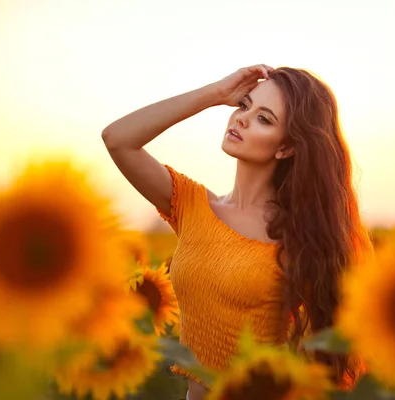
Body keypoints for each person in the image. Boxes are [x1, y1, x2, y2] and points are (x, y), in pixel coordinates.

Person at [102, 65, 371, 400]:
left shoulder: (297, 238)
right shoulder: (192, 205)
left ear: (285, 148)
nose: (241, 118)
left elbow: (335, 345)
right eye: (244, 105)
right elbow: (118, 139)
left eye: (264, 119)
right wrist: (214, 94)